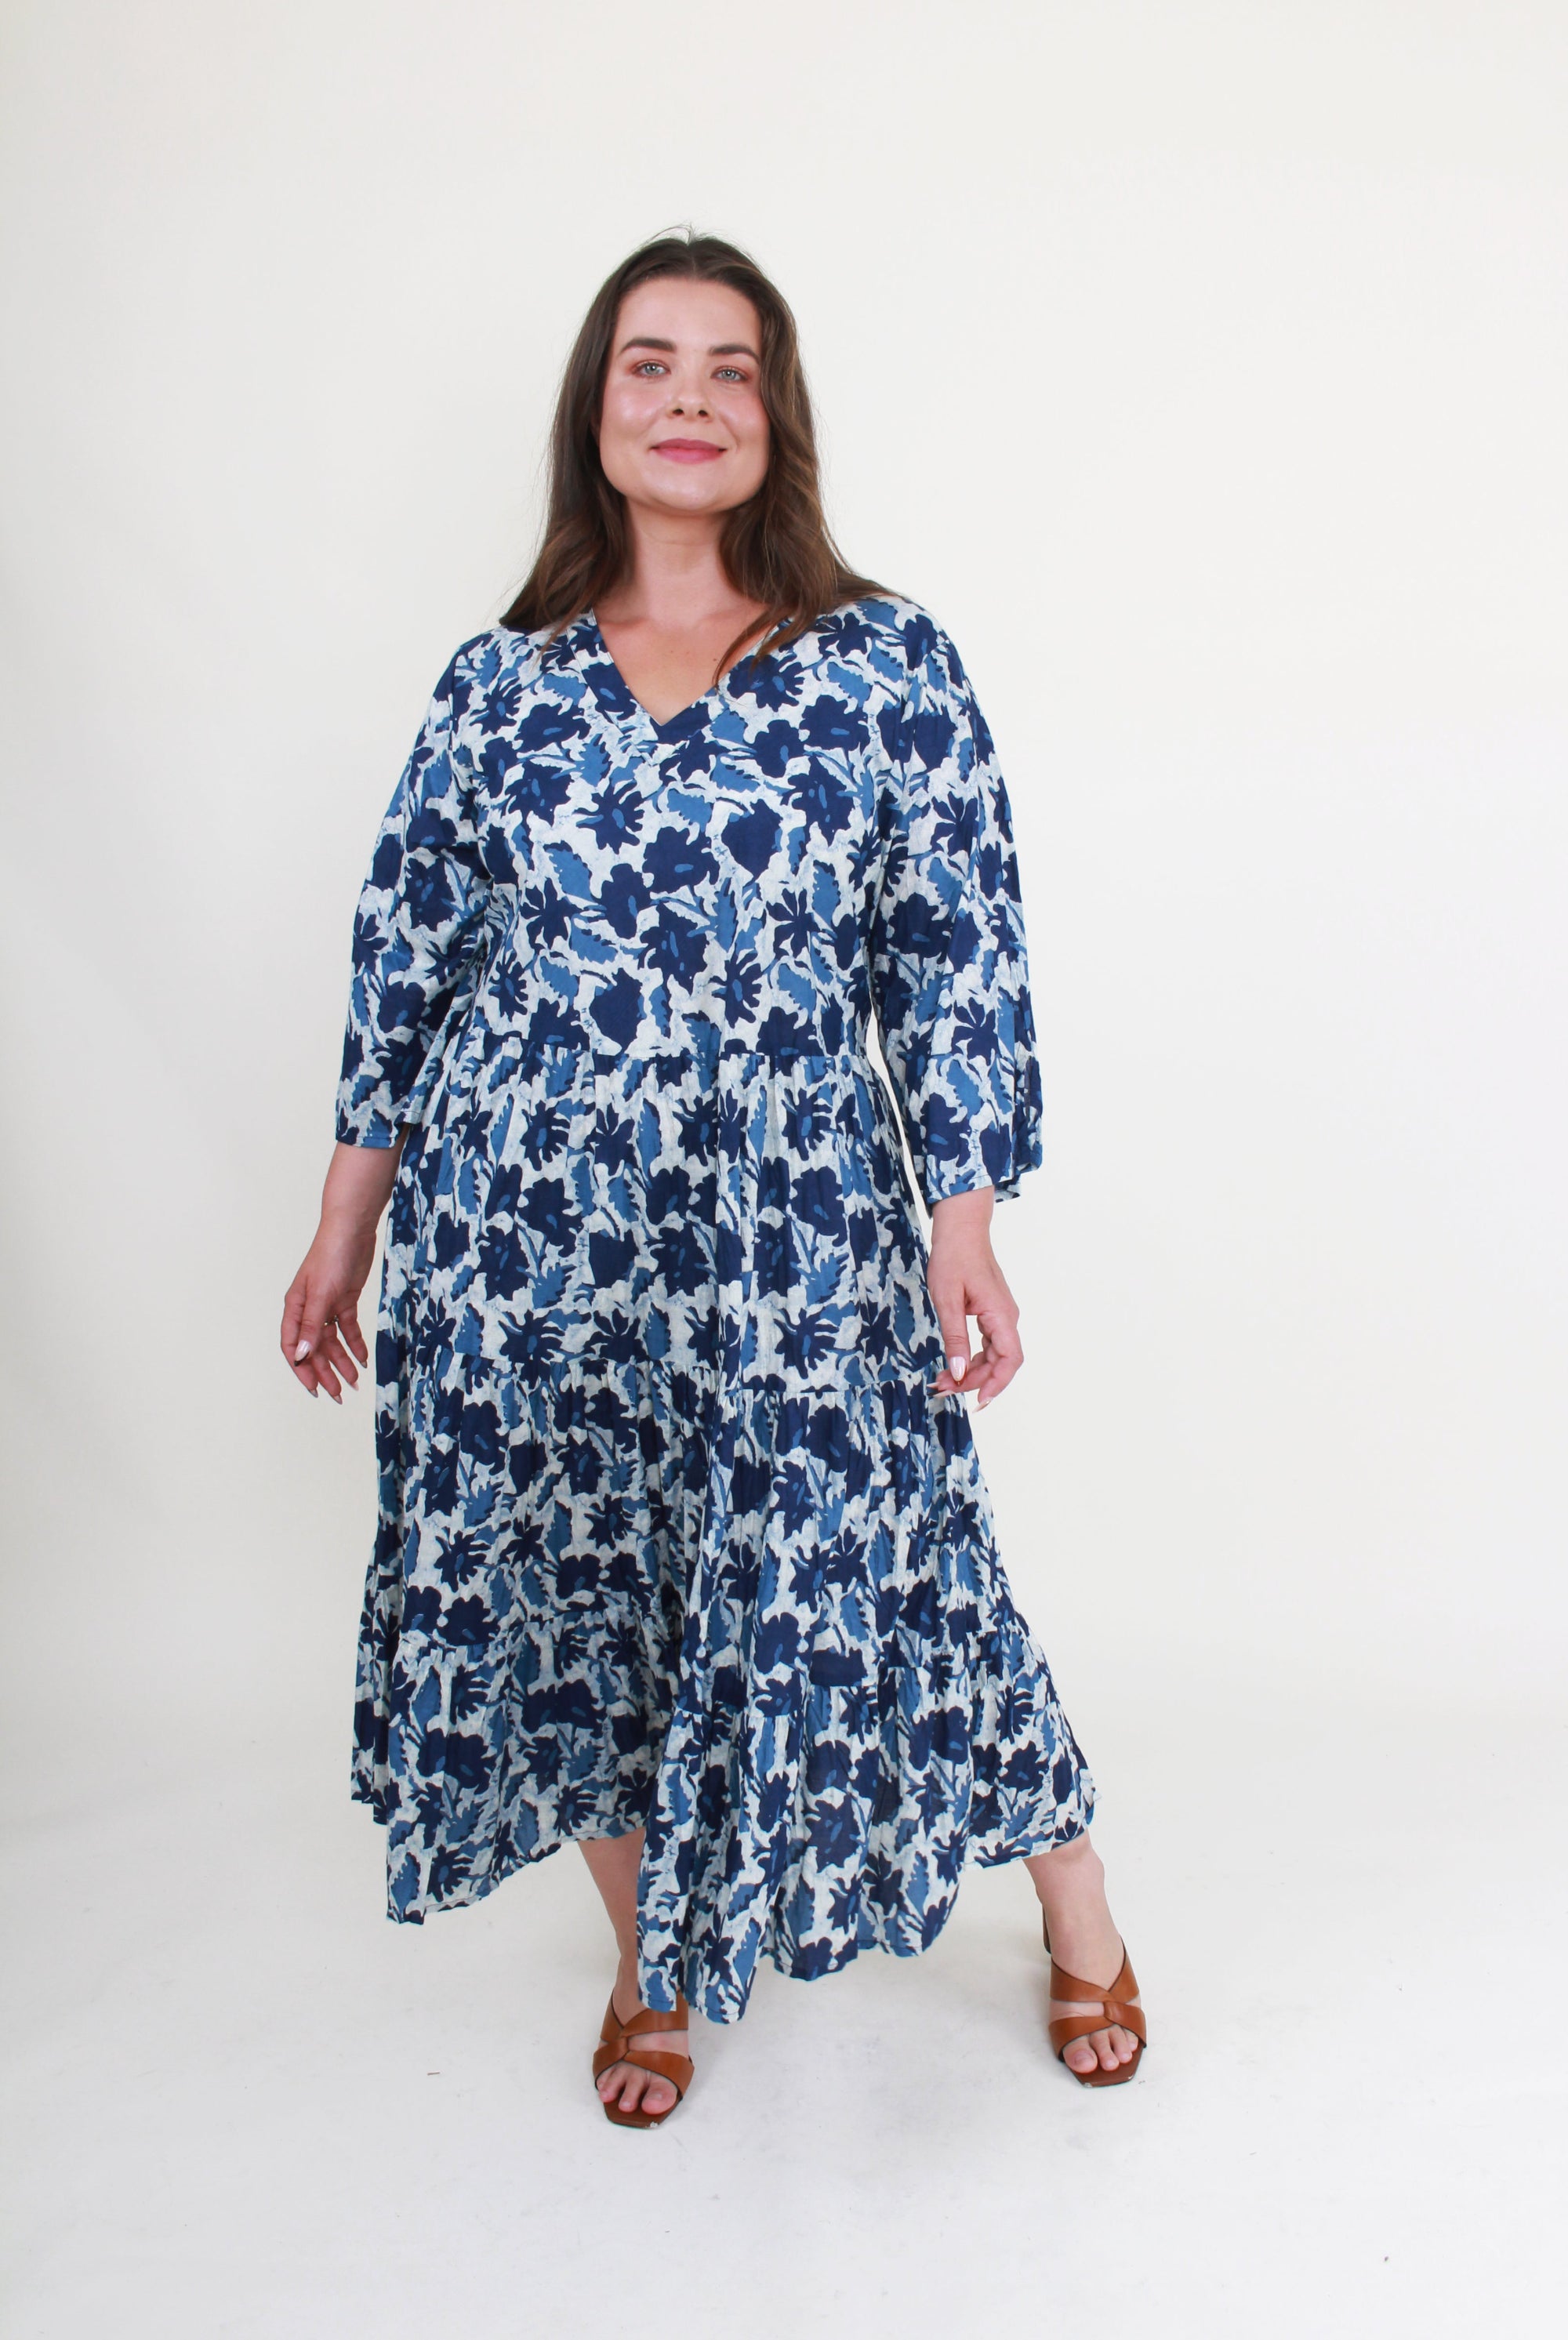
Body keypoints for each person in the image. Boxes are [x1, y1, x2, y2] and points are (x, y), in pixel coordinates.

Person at [281, 231, 1146, 2126]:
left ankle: (1072, 1892)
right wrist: (346, 1223)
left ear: (777, 416)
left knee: (896, 1567)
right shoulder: (498, 685)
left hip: (790, 1225)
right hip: (523, 1228)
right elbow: (404, 954)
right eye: (649, 364)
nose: (688, 397)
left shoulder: (882, 663)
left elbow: (956, 946)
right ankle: (653, 1953)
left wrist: (964, 1221)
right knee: (568, 1588)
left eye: (728, 368)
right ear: (595, 416)